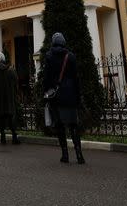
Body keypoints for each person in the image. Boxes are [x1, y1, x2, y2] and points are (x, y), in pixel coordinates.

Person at [43, 32, 84, 164]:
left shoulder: (49, 56)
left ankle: (65, 155)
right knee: (73, 125)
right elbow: (76, 78)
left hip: (56, 96)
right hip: (70, 95)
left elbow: (46, 78)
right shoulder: (70, 56)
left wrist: (46, 93)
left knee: (60, 126)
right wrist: (78, 96)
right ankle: (79, 155)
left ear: (53, 42)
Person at [0, 52, 20, 145]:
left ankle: (3, 138)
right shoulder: (11, 69)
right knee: (11, 118)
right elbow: (16, 82)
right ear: (4, 59)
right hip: (9, 98)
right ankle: (14, 137)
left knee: (0, 118)